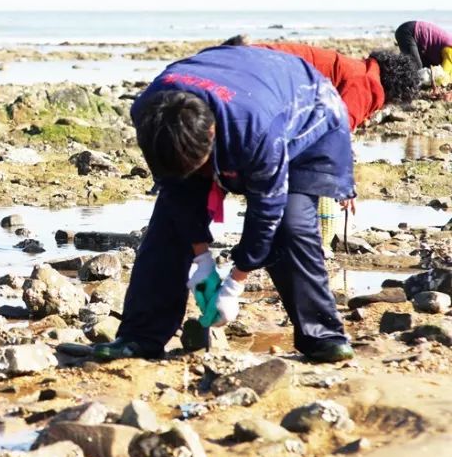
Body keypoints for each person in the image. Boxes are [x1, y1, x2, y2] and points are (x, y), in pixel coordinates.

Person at [91, 45, 356, 364]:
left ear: (213, 135)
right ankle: (140, 336)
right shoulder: (149, 113)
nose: (201, 175)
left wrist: (235, 284)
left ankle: (322, 336)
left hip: (307, 110)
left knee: (291, 223)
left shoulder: (257, 130)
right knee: (167, 222)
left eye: (201, 166)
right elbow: (175, 189)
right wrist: (202, 261)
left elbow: (266, 211)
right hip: (238, 89)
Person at [222, 37, 421, 130]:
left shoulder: (358, 69)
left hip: (255, 58)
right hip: (263, 69)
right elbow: (337, 129)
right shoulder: (367, 84)